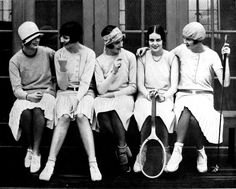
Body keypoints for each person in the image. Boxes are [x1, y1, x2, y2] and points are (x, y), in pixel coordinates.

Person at [39, 21, 102, 181]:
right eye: (62, 37)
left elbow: (86, 82)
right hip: (65, 92)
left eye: (65, 38)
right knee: (64, 117)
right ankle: (50, 164)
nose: (62, 41)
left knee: (81, 115)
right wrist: (63, 69)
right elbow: (62, 85)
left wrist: (78, 99)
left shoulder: (89, 54)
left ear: (74, 38)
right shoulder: (59, 54)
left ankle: (93, 164)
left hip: (85, 93)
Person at [165, 22, 230, 173]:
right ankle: (187, 151)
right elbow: (164, 57)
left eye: (188, 39)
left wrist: (226, 58)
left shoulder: (212, 55)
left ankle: (191, 151)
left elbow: (225, 83)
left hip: (204, 97)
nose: (184, 42)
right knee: (187, 108)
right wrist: (147, 51)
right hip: (183, 94)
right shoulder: (181, 49)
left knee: (191, 111)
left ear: (198, 40)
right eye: (184, 38)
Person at [9, 21, 56, 173]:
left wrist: (52, 88)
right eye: (32, 38)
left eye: (38, 37)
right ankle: (30, 148)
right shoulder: (15, 61)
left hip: (46, 93)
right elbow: (16, 89)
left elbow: (61, 69)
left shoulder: (47, 52)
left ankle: (36, 153)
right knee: (25, 113)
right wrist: (28, 96)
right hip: (26, 95)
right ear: (24, 42)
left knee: (38, 111)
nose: (36, 40)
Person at [133, 25, 179, 173]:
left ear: (163, 40)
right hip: (145, 95)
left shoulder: (171, 57)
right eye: (151, 40)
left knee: (164, 113)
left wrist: (163, 96)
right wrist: (148, 95)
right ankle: (142, 154)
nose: (154, 43)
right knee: (144, 111)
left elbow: (174, 86)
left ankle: (166, 153)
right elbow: (140, 84)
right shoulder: (142, 57)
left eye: (158, 40)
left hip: (165, 95)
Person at [94, 25, 137, 172]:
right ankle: (123, 146)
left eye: (121, 41)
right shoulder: (99, 61)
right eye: (117, 43)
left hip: (123, 96)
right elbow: (100, 89)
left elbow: (133, 87)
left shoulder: (129, 57)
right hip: (104, 96)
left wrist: (112, 95)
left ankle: (120, 150)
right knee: (101, 109)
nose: (121, 45)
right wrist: (113, 72)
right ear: (108, 44)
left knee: (115, 109)